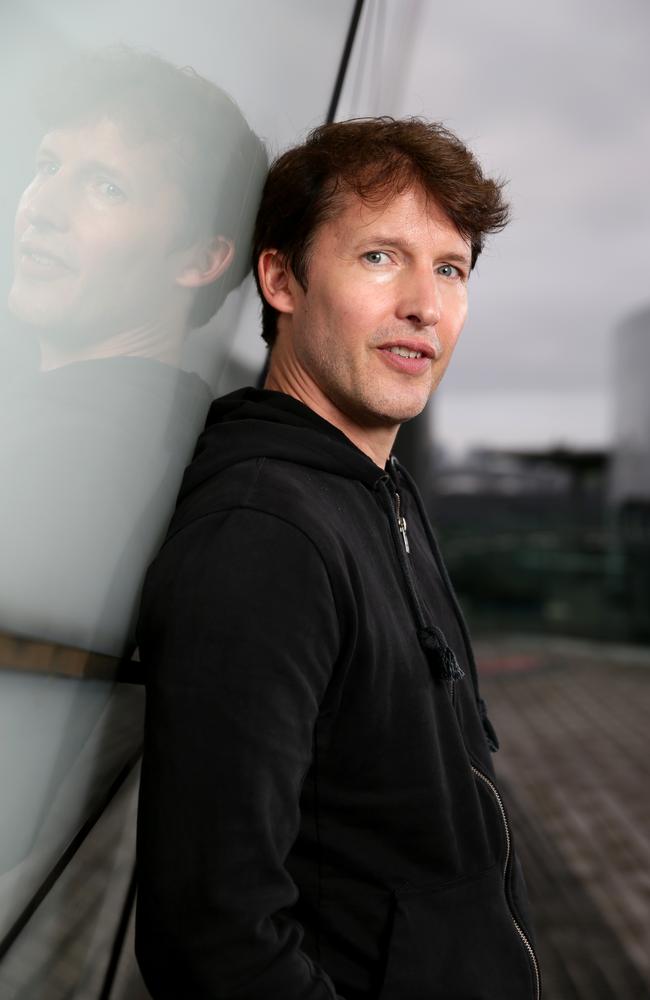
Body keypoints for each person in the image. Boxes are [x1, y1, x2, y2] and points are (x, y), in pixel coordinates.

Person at [136, 118, 541, 999]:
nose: (425, 306)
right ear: (281, 278)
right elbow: (212, 936)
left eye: (450, 268)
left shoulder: (374, 489)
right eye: (380, 257)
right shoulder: (264, 535)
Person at [0, 46, 267, 657]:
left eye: (106, 187)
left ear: (202, 258)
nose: (42, 209)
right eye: (47, 167)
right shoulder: (162, 435)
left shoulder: (80, 459)